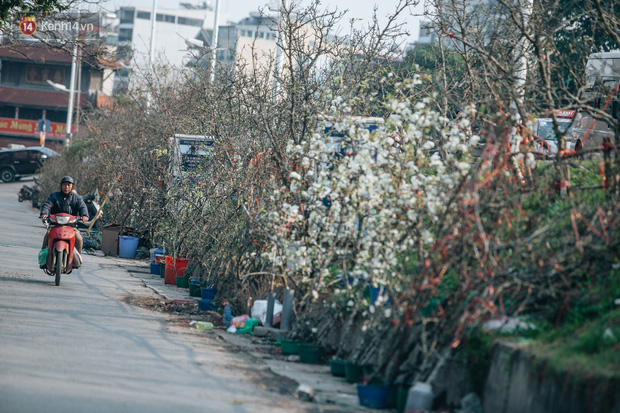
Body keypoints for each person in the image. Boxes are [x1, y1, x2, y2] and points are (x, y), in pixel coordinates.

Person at [39, 176, 89, 257]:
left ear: (72, 186)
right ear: (61, 186)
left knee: (79, 239)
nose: (66, 187)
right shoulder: (54, 196)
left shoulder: (77, 198)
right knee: (48, 235)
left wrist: (84, 215)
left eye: (69, 185)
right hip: (55, 225)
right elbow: (47, 205)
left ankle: (77, 258)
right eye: (64, 185)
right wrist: (44, 213)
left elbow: (82, 207)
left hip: (71, 226)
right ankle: (43, 257)